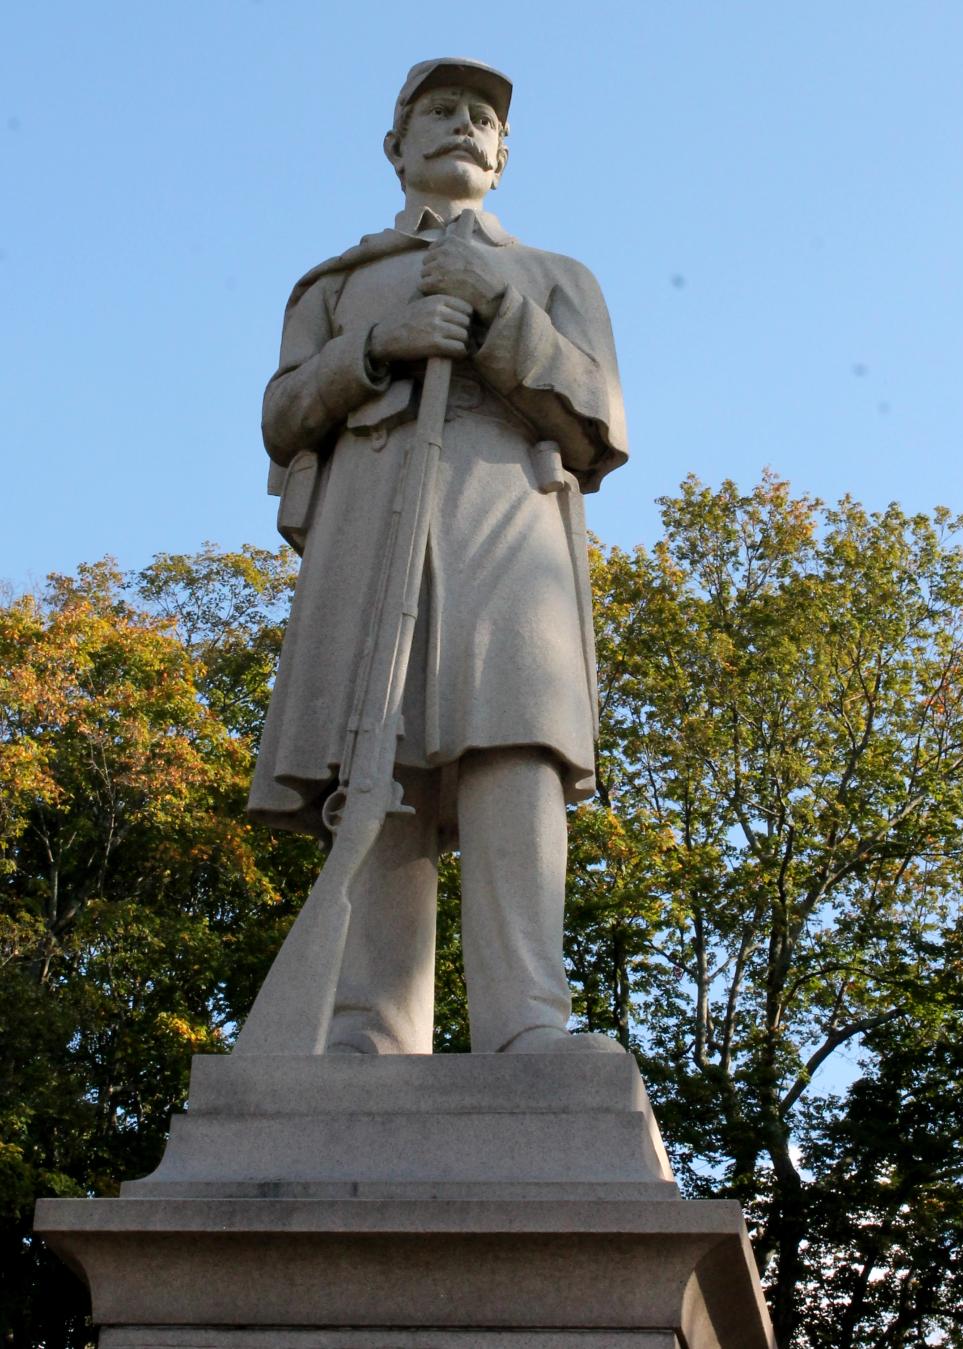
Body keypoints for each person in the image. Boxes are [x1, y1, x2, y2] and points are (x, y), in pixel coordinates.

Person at [247, 58, 629, 1055]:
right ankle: (369, 1021)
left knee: (515, 744)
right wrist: (375, 345)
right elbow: (281, 414)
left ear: (502, 155)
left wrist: (498, 315)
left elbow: (600, 417)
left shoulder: (555, 276)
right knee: (376, 753)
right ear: (396, 143)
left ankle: (527, 1020)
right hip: (371, 514)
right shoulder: (334, 283)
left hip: (507, 514)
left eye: (482, 118)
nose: (463, 125)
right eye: (440, 110)